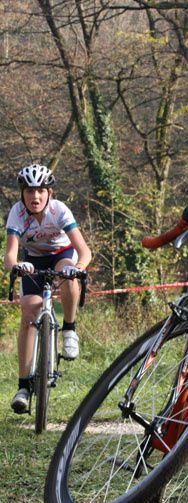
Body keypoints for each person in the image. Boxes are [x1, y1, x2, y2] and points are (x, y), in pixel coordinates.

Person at [4, 163, 92, 414]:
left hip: (62, 255)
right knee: (29, 313)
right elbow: (10, 255)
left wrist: (78, 267)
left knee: (69, 272)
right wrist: (18, 265)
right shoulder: (17, 213)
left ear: (49, 193)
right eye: (29, 191)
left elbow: (84, 251)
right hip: (32, 261)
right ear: (23, 194)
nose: (35, 197)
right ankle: (23, 386)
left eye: (41, 191)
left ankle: (69, 329)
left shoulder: (59, 210)